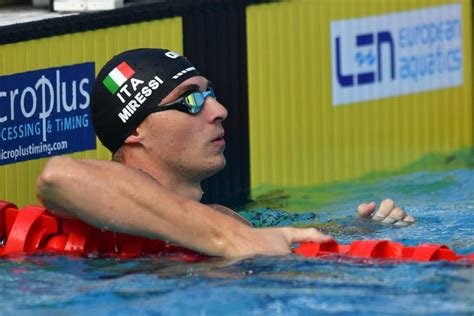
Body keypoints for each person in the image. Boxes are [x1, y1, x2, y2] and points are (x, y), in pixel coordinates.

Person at [36, 48, 415, 258]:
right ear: (134, 130)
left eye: (211, 94)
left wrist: (358, 232)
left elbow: (269, 241)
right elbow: (58, 177)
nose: (219, 111)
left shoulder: (222, 218)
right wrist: (228, 239)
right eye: (191, 99)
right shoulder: (99, 206)